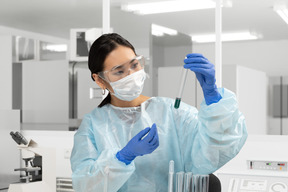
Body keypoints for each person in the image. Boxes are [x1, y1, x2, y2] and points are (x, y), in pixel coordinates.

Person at [70, 33, 247, 192]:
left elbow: (214, 153)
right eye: (119, 72)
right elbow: (85, 185)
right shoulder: (93, 125)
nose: (131, 75)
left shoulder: (172, 111)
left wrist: (212, 96)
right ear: (99, 80)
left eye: (134, 65)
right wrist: (122, 157)